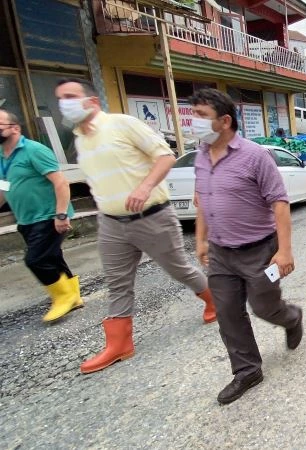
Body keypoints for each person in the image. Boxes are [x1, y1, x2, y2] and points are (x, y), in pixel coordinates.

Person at [55, 78, 216, 374]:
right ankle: (119, 345)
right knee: (117, 282)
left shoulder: (122, 124)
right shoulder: (80, 139)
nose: (63, 103)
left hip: (152, 217)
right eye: (60, 98)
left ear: (92, 101)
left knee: (179, 269)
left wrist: (144, 187)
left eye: (70, 96)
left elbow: (165, 157)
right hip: (111, 223)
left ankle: (214, 301)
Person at [189, 88, 303, 405]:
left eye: (201, 115)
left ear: (225, 121)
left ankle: (291, 318)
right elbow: (203, 202)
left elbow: (280, 203)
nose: (194, 121)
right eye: (193, 114)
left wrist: (284, 250)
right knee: (227, 312)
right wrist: (201, 240)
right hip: (221, 253)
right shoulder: (201, 156)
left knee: (265, 306)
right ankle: (247, 370)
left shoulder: (255, 156)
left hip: (260, 251)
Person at [0, 109, 82, 322]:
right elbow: (4, 188)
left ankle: (63, 297)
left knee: (35, 260)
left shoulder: (34, 150)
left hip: (48, 215)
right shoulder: (1, 157)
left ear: (15, 128)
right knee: (52, 257)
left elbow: (60, 182)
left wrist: (61, 215)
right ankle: (74, 296)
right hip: (26, 219)